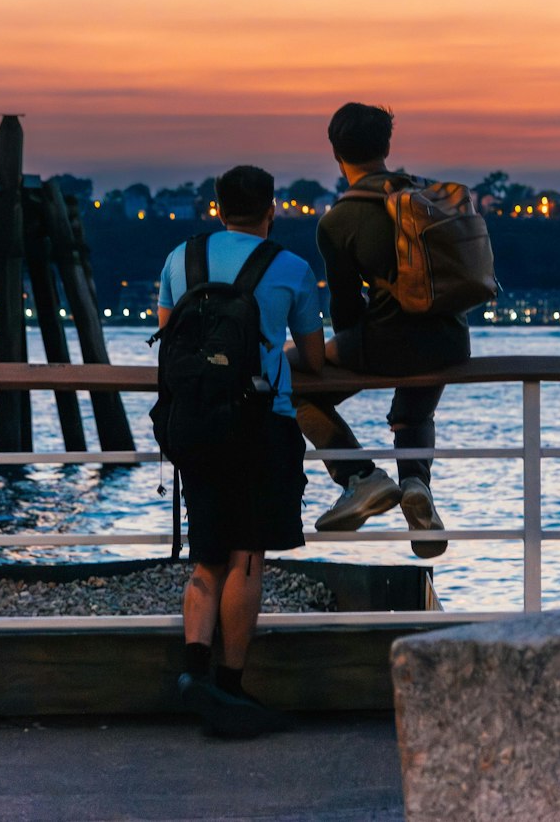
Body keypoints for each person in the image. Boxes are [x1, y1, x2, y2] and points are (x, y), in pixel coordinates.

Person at [157, 163, 325, 737]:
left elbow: (170, 335)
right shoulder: (293, 269)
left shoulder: (181, 260)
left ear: (218, 207)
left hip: (194, 424)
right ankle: (230, 686)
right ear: (271, 209)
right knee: (247, 555)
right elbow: (315, 357)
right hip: (260, 426)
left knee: (207, 555)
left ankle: (192, 675)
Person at [293, 103, 470, 558]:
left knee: (283, 380)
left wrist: (339, 349)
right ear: (387, 147)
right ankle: (415, 482)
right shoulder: (425, 195)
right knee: (412, 414)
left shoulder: (338, 221)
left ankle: (359, 476)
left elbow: (346, 307)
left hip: (387, 344)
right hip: (451, 341)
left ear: (336, 153)